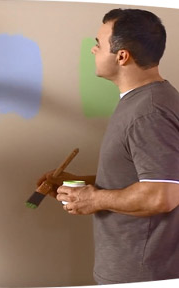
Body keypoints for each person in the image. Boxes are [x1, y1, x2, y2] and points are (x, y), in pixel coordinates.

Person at [37, 8, 179, 284]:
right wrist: (80, 182)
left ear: (122, 56)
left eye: (99, 44)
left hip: (142, 273)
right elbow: (145, 177)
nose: (93, 50)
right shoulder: (146, 101)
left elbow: (162, 195)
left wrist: (93, 199)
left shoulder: (148, 112)